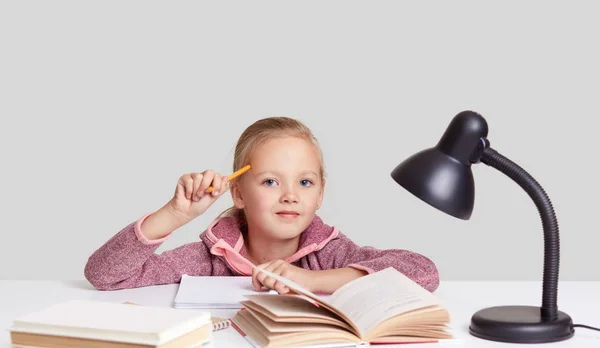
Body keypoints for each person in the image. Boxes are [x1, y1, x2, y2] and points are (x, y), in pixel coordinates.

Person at [84, 117, 439, 294]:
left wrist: (312, 280)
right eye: (270, 181)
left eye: (305, 182)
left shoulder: (330, 254)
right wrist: (174, 214)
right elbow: (103, 275)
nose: (290, 195)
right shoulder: (210, 258)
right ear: (237, 193)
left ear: (320, 194)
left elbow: (423, 272)